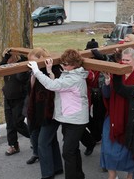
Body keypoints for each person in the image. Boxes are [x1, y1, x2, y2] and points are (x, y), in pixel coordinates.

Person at [27, 49, 89, 179]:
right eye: (62, 63)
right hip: (68, 118)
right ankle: (79, 176)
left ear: (74, 64)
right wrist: (49, 71)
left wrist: (37, 71)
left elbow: (52, 85)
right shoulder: (68, 73)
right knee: (73, 150)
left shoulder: (74, 78)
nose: (63, 66)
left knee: (68, 152)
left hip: (76, 120)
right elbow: (58, 83)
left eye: (65, 64)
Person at [101, 48, 134, 179]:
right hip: (113, 116)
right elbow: (106, 95)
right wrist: (107, 81)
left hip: (130, 119)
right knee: (108, 149)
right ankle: (112, 176)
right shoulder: (116, 73)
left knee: (131, 152)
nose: (124, 62)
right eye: (122, 60)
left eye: (127, 60)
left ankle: (130, 175)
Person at [26, 48, 63, 179]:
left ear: (42, 57)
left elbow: (54, 88)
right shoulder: (34, 72)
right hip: (40, 113)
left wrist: (46, 72)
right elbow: (30, 92)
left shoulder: (54, 69)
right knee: (50, 141)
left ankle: (47, 174)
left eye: (33, 61)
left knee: (42, 143)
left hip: (51, 113)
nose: (31, 64)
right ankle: (57, 168)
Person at [0, 49, 30, 156]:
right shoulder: (5, 66)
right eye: (6, 58)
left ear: (15, 57)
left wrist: (20, 60)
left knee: (18, 123)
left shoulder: (21, 66)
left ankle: (34, 137)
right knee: (10, 124)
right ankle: (13, 145)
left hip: (19, 98)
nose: (7, 61)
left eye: (9, 58)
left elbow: (21, 78)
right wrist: (6, 59)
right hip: (8, 98)